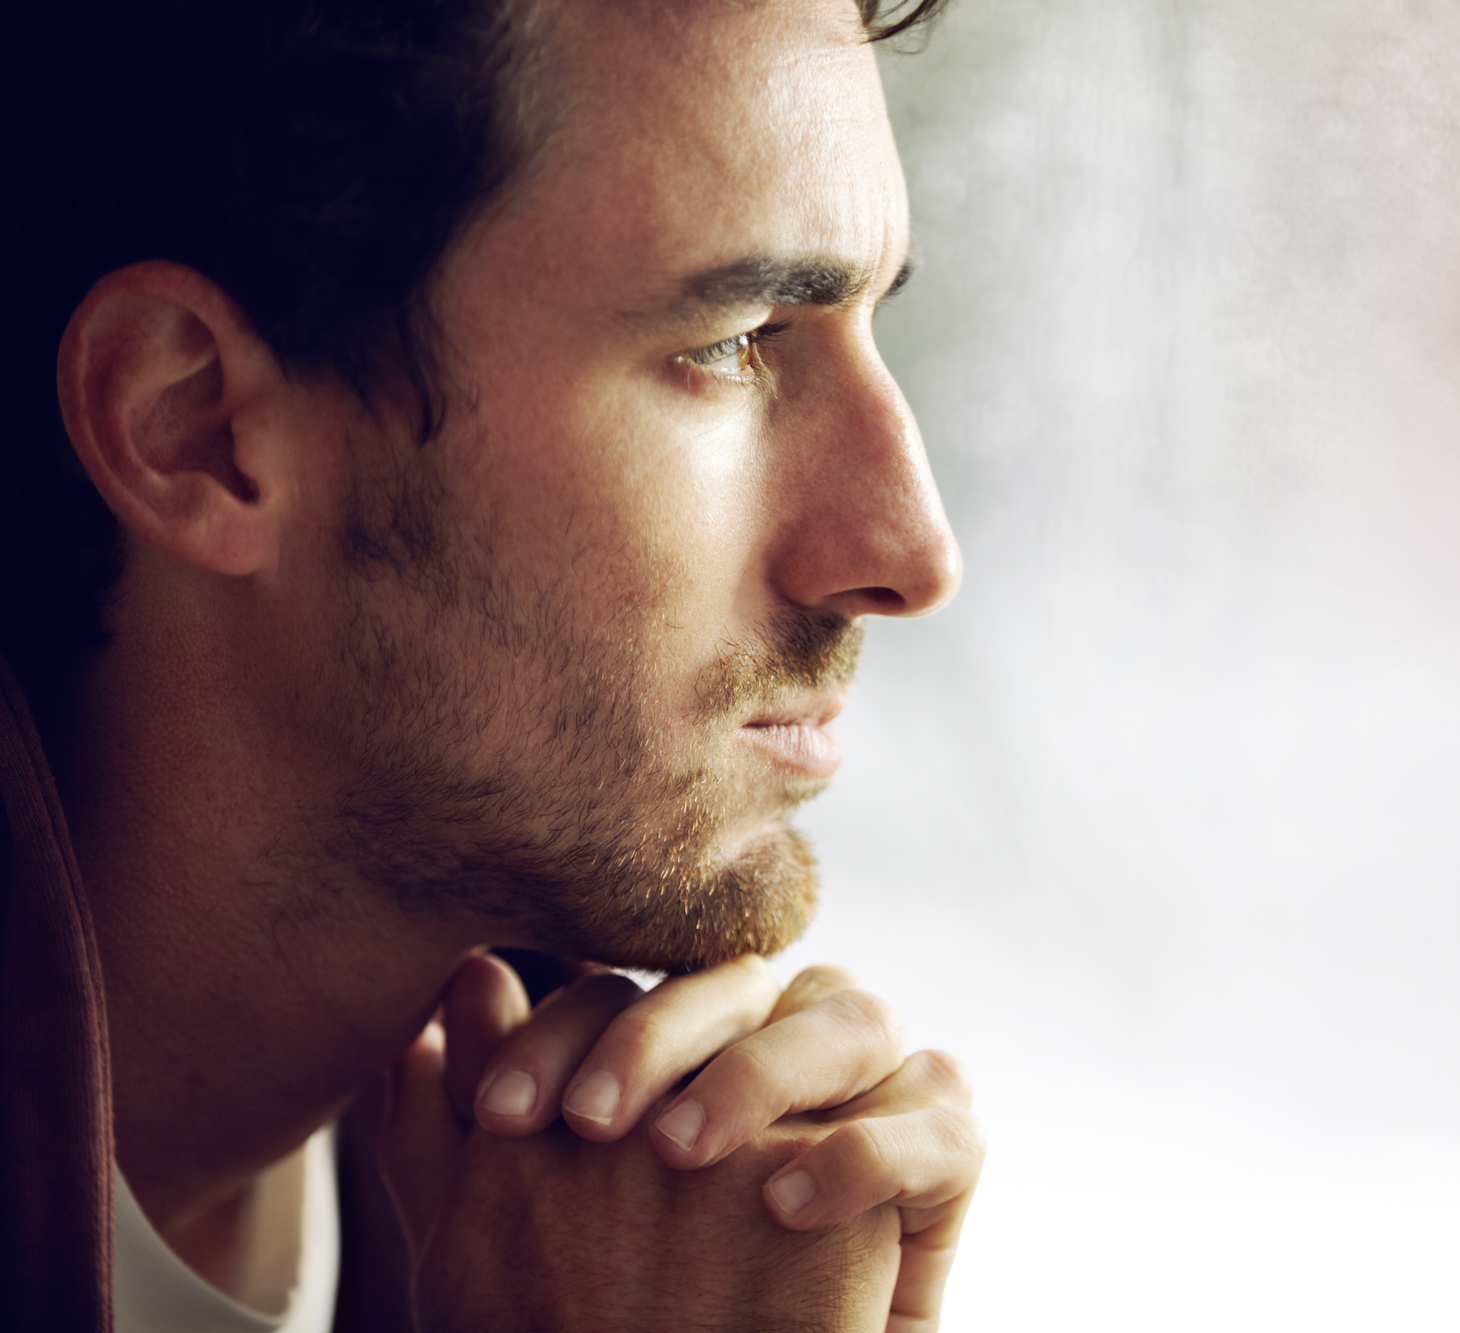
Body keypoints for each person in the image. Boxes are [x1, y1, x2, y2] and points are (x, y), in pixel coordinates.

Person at [0, 0, 986, 1328]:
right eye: (733, 342)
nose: (914, 552)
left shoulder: (612, 1229)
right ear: (198, 433)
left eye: (871, 328)